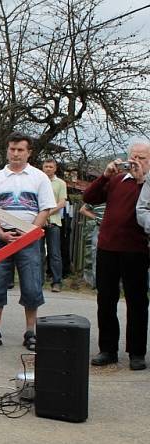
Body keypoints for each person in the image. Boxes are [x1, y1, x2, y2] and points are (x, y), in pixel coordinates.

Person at [0, 133, 55, 352]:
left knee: (31, 285)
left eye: (20, 150)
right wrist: (0, 232)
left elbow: (45, 209)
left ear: (29, 152)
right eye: (12, 149)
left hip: (29, 240)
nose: (16, 153)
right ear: (7, 150)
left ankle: (31, 332)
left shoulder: (39, 178)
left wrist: (30, 232)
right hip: (2, 239)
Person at [83, 141, 150, 370]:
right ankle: (108, 349)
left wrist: (141, 180)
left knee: (137, 302)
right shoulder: (117, 180)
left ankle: (137, 352)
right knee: (106, 300)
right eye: (134, 157)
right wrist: (104, 175)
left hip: (136, 249)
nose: (136, 161)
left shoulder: (147, 184)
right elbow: (89, 198)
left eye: (142, 158)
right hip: (108, 248)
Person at [41, 159, 68, 292]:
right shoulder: (38, 181)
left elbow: (62, 203)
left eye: (51, 167)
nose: (48, 169)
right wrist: (41, 217)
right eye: (46, 166)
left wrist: (46, 214)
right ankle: (38, 281)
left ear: (55, 168)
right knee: (38, 253)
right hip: (39, 222)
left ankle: (56, 282)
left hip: (54, 222)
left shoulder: (61, 183)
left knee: (55, 253)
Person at [79, 201, 105, 288]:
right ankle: (97, 283)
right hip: (99, 227)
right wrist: (95, 217)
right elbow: (82, 210)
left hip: (113, 229)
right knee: (95, 256)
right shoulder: (97, 198)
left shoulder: (115, 196)